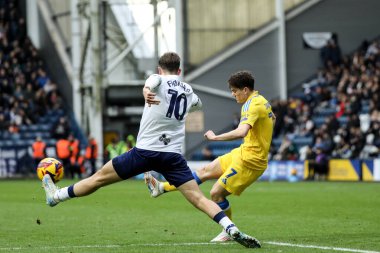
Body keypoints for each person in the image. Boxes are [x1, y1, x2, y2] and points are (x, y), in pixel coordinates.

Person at [41, 52, 260, 248]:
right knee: (199, 198)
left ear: (159, 69)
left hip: (144, 152)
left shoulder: (156, 80)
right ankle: (230, 227)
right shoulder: (188, 90)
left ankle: (56, 196)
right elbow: (198, 103)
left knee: (98, 178)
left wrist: (146, 91)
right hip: (172, 156)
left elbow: (151, 83)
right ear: (180, 70)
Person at [145, 70, 275, 243]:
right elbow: (272, 119)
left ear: (245, 90)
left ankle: (227, 230)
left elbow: (242, 131)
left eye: (235, 91)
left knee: (216, 194)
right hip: (243, 152)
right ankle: (161, 188)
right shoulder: (261, 101)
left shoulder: (251, 105)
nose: (233, 94)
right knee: (204, 171)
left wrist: (215, 137)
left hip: (251, 161)